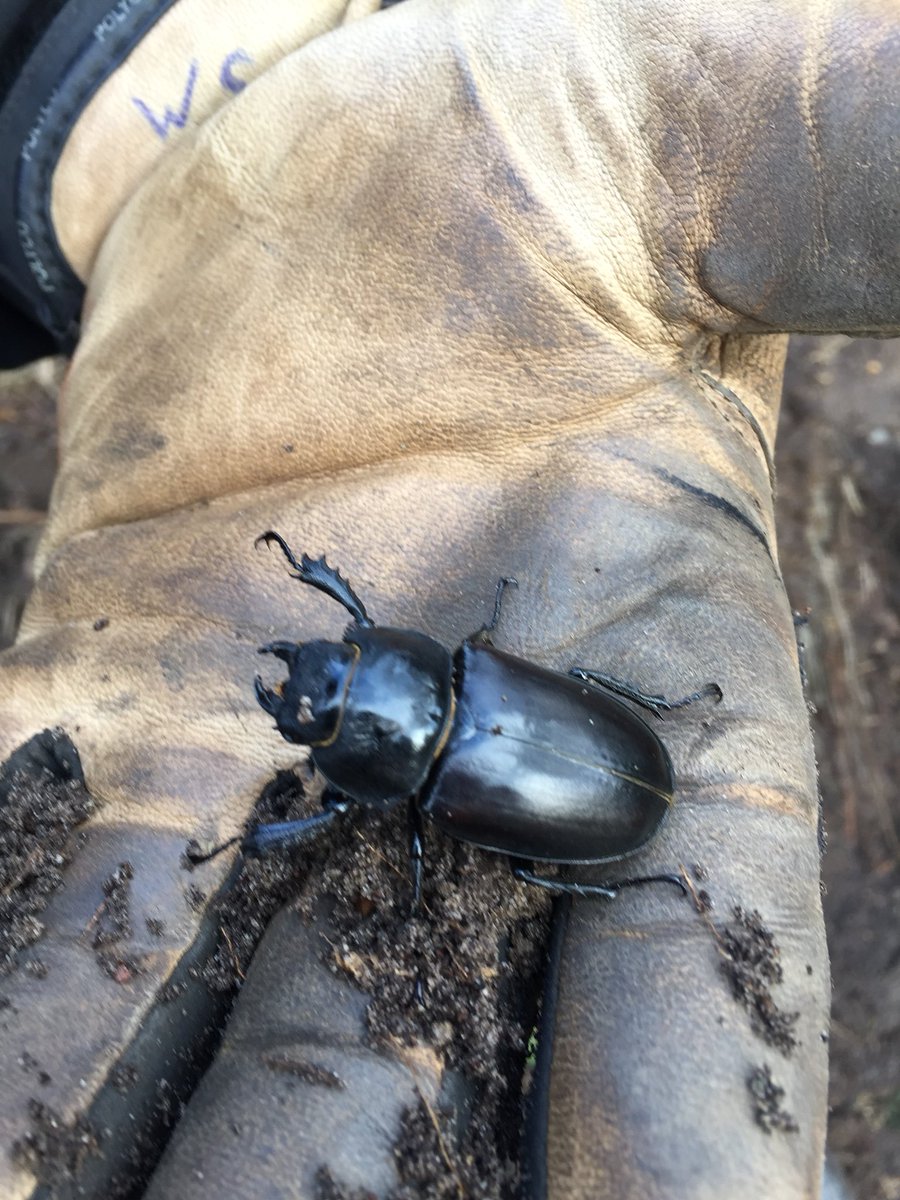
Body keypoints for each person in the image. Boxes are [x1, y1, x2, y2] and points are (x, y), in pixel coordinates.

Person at [0, 1, 897, 1196]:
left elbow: (366, 708)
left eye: (330, 690)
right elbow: (379, 659)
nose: (320, 676)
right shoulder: (456, 678)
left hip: (599, 791)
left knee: (520, 860)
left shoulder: (425, 759)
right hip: (579, 772)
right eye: (330, 700)